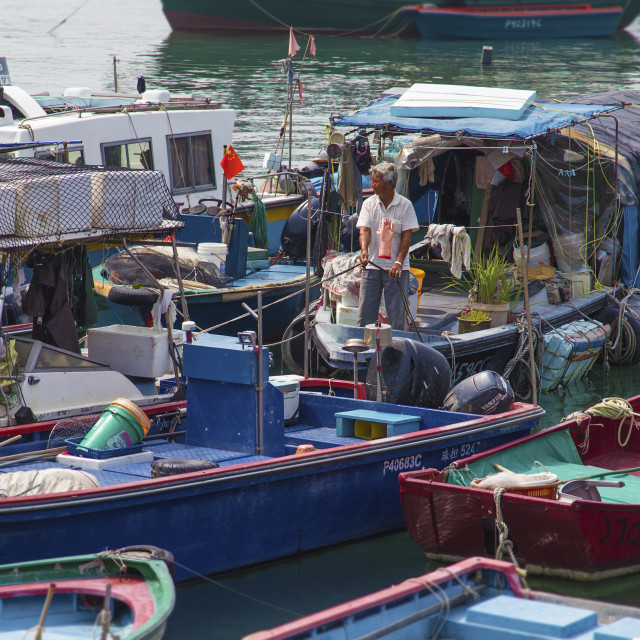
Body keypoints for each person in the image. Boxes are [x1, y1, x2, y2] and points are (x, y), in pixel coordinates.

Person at [356, 162, 419, 331]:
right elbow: (364, 230)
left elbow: (407, 236)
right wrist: (364, 252)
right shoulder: (369, 204)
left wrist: (398, 262)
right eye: (373, 181)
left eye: (376, 182)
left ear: (390, 184)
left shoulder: (405, 205)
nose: (372, 185)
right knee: (365, 314)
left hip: (397, 269)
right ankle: (364, 351)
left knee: (396, 314)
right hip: (372, 266)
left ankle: (396, 350)